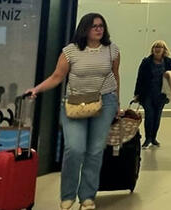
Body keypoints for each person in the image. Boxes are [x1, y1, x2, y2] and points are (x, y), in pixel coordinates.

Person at [27, 13, 121, 210]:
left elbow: (115, 75)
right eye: (94, 26)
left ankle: (87, 197)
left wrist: (117, 103)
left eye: (101, 26)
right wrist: (36, 89)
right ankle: (68, 195)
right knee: (75, 148)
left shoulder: (112, 50)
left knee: (95, 151)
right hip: (75, 103)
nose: (99, 29)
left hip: (105, 102)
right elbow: (57, 76)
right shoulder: (70, 51)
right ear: (84, 29)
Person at [133, 40, 171, 149]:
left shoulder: (168, 62)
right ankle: (147, 139)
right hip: (147, 94)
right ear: (152, 49)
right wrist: (137, 94)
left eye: (160, 47)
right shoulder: (146, 62)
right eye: (156, 47)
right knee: (149, 116)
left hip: (161, 94)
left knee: (157, 117)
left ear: (164, 50)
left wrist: (169, 76)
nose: (158, 49)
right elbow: (140, 78)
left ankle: (154, 138)